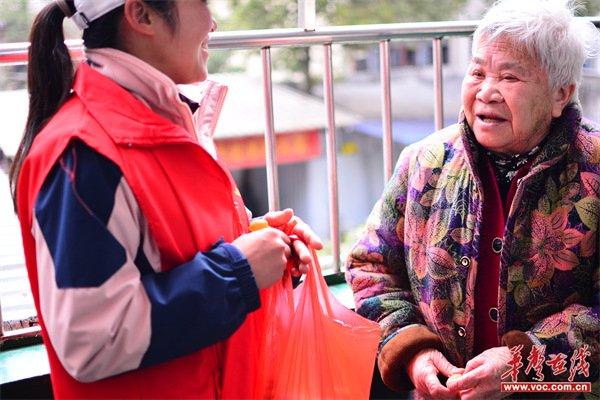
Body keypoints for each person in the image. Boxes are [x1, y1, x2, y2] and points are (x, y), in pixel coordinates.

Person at [9, 0, 322, 398]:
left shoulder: (162, 123)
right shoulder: (84, 154)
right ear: (141, 15)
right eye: (202, 4)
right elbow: (90, 341)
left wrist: (264, 243)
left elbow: (185, 258)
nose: (212, 23)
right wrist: (238, 270)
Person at [345, 0, 599, 398]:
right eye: (477, 72)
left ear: (559, 94)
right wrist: (414, 352)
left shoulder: (594, 170)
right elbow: (371, 267)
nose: (486, 91)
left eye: (510, 77)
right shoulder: (424, 162)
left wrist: (522, 363)